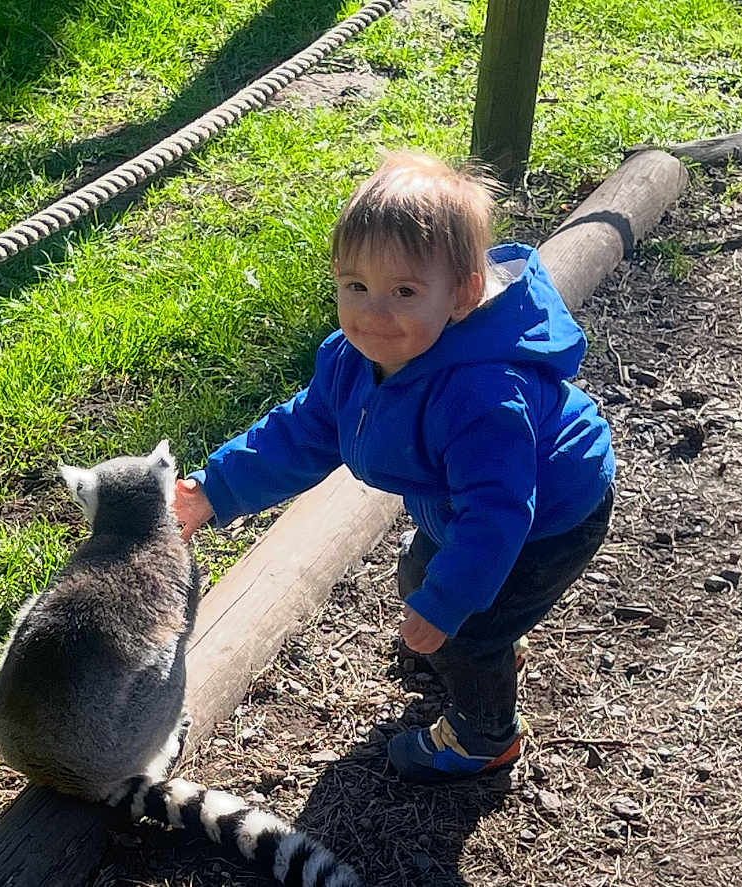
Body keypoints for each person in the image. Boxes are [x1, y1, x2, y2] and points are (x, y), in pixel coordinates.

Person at [174, 150, 615, 784]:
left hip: (549, 515)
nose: (373, 314)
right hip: (457, 503)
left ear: (461, 295)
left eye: (404, 291)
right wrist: (214, 488)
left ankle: (484, 735)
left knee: (468, 626)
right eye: (355, 286)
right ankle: (481, 632)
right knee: (423, 569)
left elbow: (498, 513)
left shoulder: (483, 395)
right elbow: (304, 431)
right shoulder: (356, 359)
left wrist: (447, 610)